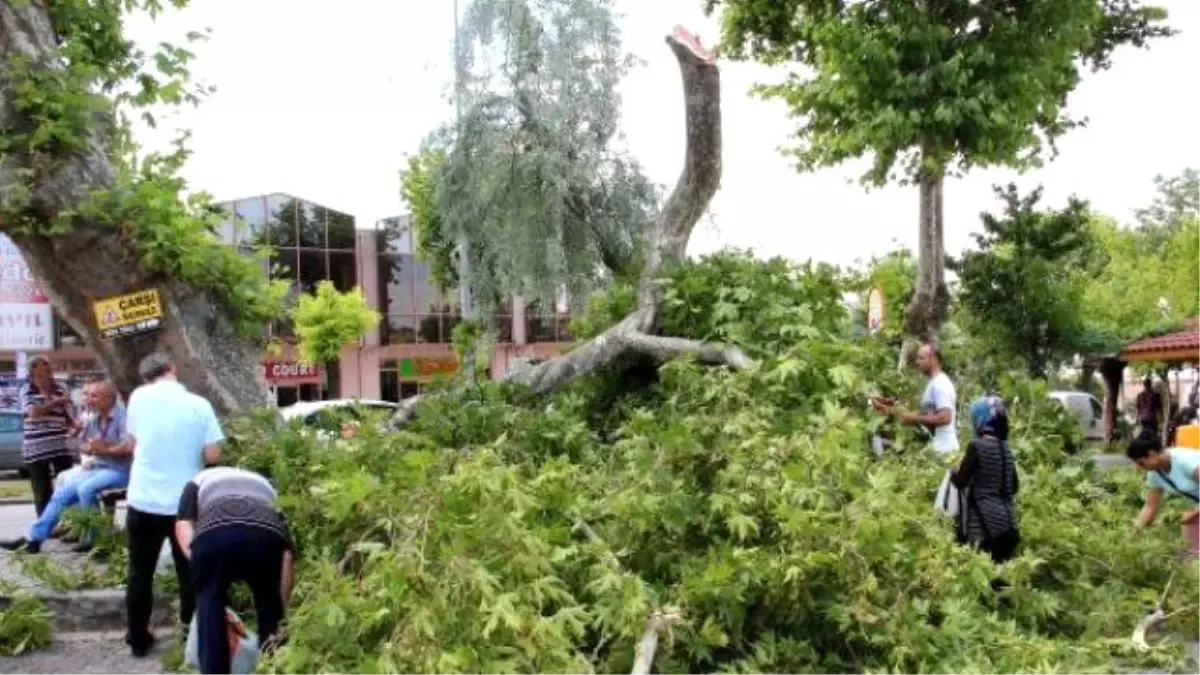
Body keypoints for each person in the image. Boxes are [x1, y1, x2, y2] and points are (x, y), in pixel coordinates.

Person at [124, 353, 224, 658]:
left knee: (140, 572)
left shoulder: (138, 398)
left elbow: (133, 442)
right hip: (185, 507)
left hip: (142, 500)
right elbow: (212, 456)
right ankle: (187, 637)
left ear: (145, 377)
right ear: (173, 370)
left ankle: (138, 639)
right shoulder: (199, 405)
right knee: (189, 573)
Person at [176, 467, 295, 675]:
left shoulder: (198, 480)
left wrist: (199, 564)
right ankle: (273, 666)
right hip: (264, 535)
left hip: (213, 535)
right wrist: (281, 612)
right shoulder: (267, 486)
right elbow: (287, 557)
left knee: (209, 604)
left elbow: (183, 523)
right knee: (269, 606)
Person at [0, 380, 132, 554]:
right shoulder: (94, 418)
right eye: (88, 395)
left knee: (86, 489)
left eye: (94, 396)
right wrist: (88, 447)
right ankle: (33, 540)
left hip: (121, 470)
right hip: (99, 466)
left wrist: (104, 448)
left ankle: (97, 539)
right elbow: (83, 444)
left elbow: (129, 448)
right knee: (62, 493)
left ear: (109, 399)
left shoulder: (123, 418)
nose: (88, 399)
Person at [872, 342, 959, 512]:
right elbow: (925, 417)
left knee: (936, 503)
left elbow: (945, 417)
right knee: (929, 498)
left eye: (921, 358)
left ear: (933, 359)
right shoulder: (935, 383)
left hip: (944, 450)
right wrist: (889, 408)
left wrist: (913, 417)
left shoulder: (940, 384)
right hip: (938, 447)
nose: (917, 362)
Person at [950, 396, 1020, 563]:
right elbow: (1014, 487)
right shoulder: (1006, 449)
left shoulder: (976, 446)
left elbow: (960, 482)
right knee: (1003, 577)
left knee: (983, 574)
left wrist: (953, 470)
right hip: (1009, 523)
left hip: (984, 525)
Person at [21, 355, 78, 516]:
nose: (48, 367)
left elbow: (67, 416)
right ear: (33, 369)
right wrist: (57, 402)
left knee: (66, 486)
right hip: (36, 448)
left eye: (48, 364)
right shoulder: (27, 389)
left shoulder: (60, 388)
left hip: (60, 445)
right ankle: (46, 525)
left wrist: (75, 425)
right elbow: (33, 413)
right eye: (44, 364)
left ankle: (69, 522)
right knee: (42, 490)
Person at [1128, 433, 1200, 555]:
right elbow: (1150, 506)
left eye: (1141, 463)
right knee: (1191, 554)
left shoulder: (1185, 461)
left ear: (1151, 454)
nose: (1140, 468)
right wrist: (1135, 532)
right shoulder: (1155, 473)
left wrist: (1193, 514)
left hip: (1196, 511)